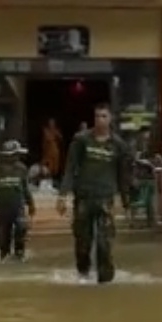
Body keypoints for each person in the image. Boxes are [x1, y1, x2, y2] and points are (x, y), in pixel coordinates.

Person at [57, 103, 133, 284]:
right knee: (83, 243)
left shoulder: (118, 145)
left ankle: (105, 282)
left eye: (104, 116)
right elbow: (70, 168)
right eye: (97, 116)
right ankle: (83, 275)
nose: (100, 120)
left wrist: (126, 201)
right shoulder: (81, 140)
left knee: (104, 244)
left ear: (110, 119)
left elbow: (123, 175)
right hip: (83, 198)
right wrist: (63, 195)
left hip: (105, 198)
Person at [0, 139, 36, 261]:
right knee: (3, 235)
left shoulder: (21, 169)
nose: (18, 156)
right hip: (2, 208)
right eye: (16, 154)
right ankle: (4, 255)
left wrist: (31, 204)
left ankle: (19, 254)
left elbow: (25, 188)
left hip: (18, 206)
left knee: (21, 228)